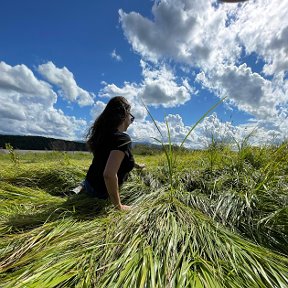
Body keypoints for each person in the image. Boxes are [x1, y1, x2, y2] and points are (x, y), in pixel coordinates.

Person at [81, 96, 144, 211]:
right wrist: (118, 206)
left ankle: (81, 187)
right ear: (125, 115)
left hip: (89, 183)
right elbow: (109, 175)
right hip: (101, 192)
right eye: (131, 118)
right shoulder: (122, 139)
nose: (131, 121)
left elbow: (119, 158)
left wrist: (138, 165)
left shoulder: (103, 135)